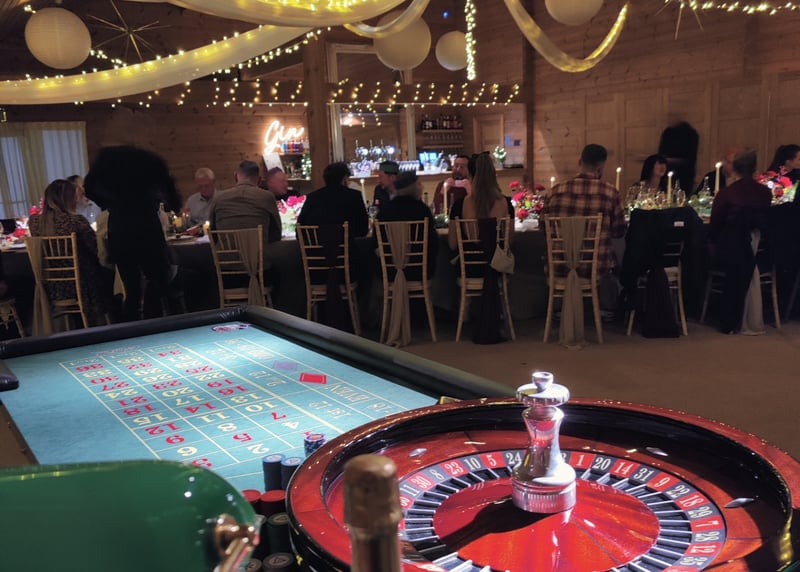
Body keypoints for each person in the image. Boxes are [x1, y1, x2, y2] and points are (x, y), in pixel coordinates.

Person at [84, 145, 183, 322]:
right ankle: (155, 320)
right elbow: (169, 187)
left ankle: (132, 326)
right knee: (158, 281)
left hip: (120, 227)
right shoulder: (150, 160)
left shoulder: (107, 159)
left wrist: (109, 204)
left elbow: (89, 188)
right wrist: (173, 205)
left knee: (131, 287)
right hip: (147, 225)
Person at [541, 144, 626, 317]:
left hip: (560, 266)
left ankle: (561, 307)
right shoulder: (610, 193)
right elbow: (619, 231)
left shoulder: (555, 191)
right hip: (595, 268)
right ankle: (606, 307)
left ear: (580, 161)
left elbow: (543, 228)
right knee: (613, 257)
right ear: (601, 167)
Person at [29, 178, 114, 325]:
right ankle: (114, 323)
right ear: (69, 199)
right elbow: (96, 249)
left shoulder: (35, 222)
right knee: (111, 272)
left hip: (53, 286)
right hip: (84, 285)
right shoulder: (76, 221)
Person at [708, 150, 773, 334]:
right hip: (758, 250)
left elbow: (715, 226)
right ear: (754, 169)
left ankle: (708, 310)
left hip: (731, 252)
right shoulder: (765, 193)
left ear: (734, 169)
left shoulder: (727, 194)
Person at [376, 171, 438, 280]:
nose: (422, 187)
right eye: (419, 184)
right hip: (420, 270)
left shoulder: (384, 211)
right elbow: (434, 242)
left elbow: (375, 243)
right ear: (413, 187)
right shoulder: (422, 210)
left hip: (390, 271)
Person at [207, 160, 282, 244]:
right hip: (258, 251)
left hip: (226, 252)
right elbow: (277, 234)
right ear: (259, 180)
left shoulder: (218, 198)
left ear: (235, 177)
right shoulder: (267, 197)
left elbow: (212, 234)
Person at [297, 162, 369, 236]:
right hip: (348, 242)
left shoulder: (312, 197)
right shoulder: (354, 196)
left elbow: (300, 227)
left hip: (318, 242)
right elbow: (363, 227)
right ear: (344, 178)